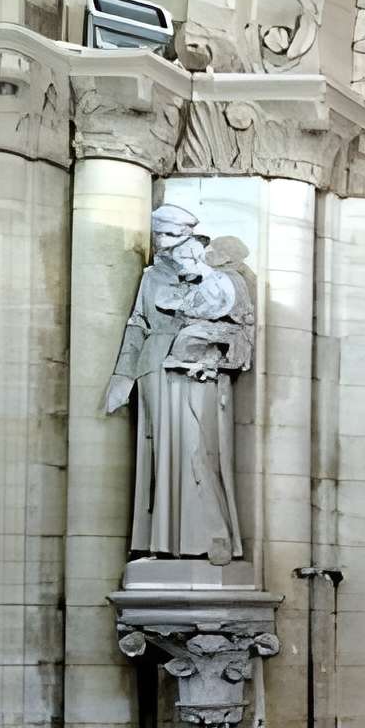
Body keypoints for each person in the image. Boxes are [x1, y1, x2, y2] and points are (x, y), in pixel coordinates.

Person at [103, 204, 255, 563]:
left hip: (192, 368)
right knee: (158, 456)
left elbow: (236, 321)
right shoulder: (152, 275)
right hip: (154, 367)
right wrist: (122, 377)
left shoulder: (215, 274)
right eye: (161, 235)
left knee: (196, 448)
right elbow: (137, 323)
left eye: (172, 234)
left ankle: (206, 539)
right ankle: (161, 544)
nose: (165, 242)